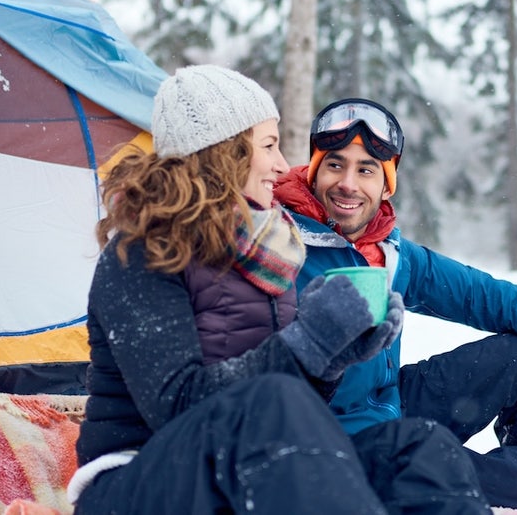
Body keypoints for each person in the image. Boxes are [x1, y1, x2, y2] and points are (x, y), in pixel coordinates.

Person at [68, 67, 492, 515]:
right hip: (135, 483)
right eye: (268, 145)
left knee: (415, 449)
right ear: (223, 153)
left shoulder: (266, 251)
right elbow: (178, 406)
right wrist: (307, 343)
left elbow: (291, 401)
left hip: (242, 466)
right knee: (273, 399)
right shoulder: (141, 252)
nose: (279, 163)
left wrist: (333, 358)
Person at [273, 97, 517, 512]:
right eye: (335, 164)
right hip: (343, 450)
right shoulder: (279, 246)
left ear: (386, 184)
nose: (348, 184)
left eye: (366, 170)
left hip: (391, 406)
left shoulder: (387, 251)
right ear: (316, 170)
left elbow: (484, 295)